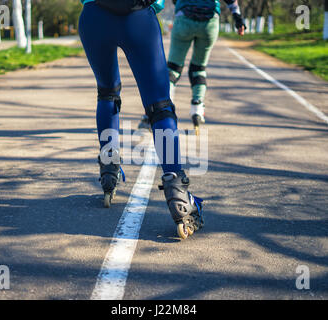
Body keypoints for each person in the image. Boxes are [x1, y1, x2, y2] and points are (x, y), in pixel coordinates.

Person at [78, 0, 203, 239]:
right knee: (159, 106)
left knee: (107, 92)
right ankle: (178, 193)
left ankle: (108, 170)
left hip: (94, 17)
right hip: (138, 18)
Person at [162, 0, 245, 134]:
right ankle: (197, 108)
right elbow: (232, 2)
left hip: (184, 19)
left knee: (173, 68)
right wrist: (238, 19)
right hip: (209, 23)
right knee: (198, 68)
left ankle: (164, 107)